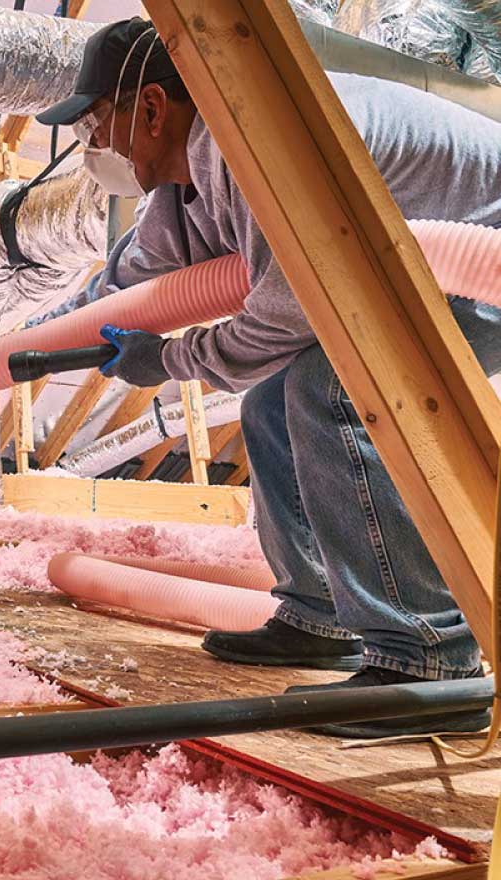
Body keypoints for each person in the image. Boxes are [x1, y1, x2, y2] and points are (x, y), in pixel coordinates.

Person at [28, 17, 501, 738]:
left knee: (333, 388)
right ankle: (321, 614)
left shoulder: (256, 145)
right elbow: (120, 291)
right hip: (427, 273)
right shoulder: (190, 186)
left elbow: (286, 317)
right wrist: (16, 346)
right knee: (276, 399)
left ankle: (434, 662)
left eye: (98, 123)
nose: (96, 146)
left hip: (483, 264)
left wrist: (170, 361)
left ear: (153, 108)